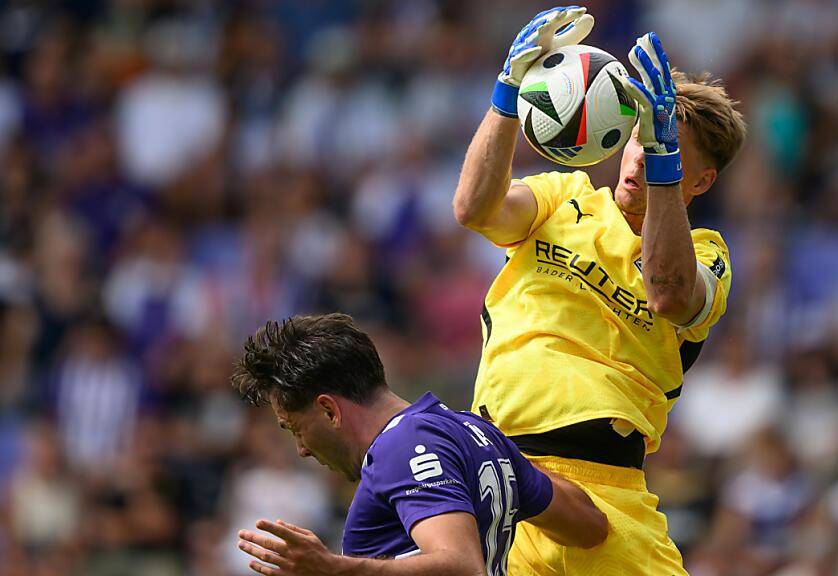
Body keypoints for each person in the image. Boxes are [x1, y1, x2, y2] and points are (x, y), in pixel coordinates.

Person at [453, 5, 746, 574]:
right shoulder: (563, 197)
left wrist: (663, 160)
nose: (642, 157)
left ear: (702, 181)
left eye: (670, 151)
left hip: (608, 492)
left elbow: (670, 294)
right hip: (503, 480)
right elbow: (473, 208)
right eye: (642, 139)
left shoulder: (708, 253)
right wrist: (508, 93)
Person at [229, 313, 607, 576]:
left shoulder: (402, 446)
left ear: (328, 410)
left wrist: (333, 568)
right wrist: (505, 458)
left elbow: (461, 565)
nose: (302, 450)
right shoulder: (472, 433)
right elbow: (590, 525)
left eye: (295, 428)